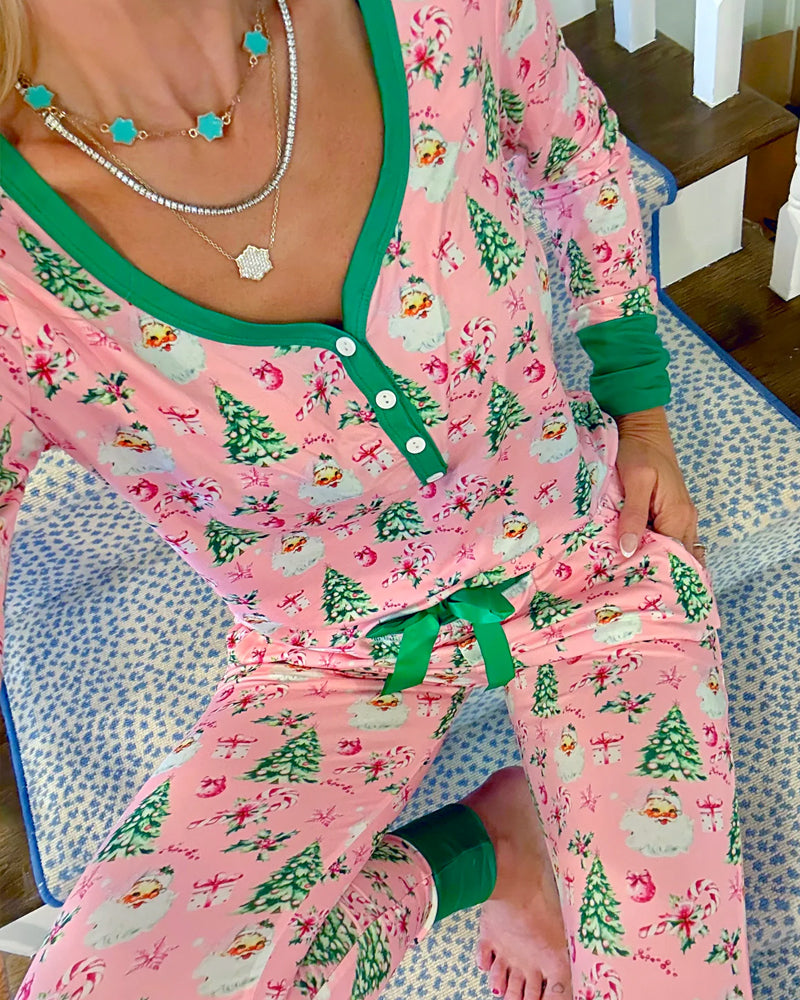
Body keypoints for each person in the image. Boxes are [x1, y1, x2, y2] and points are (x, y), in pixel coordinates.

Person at [0, 0, 753, 998]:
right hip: (323, 659)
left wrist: (639, 405)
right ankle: (480, 850)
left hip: (590, 560)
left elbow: (575, 146)